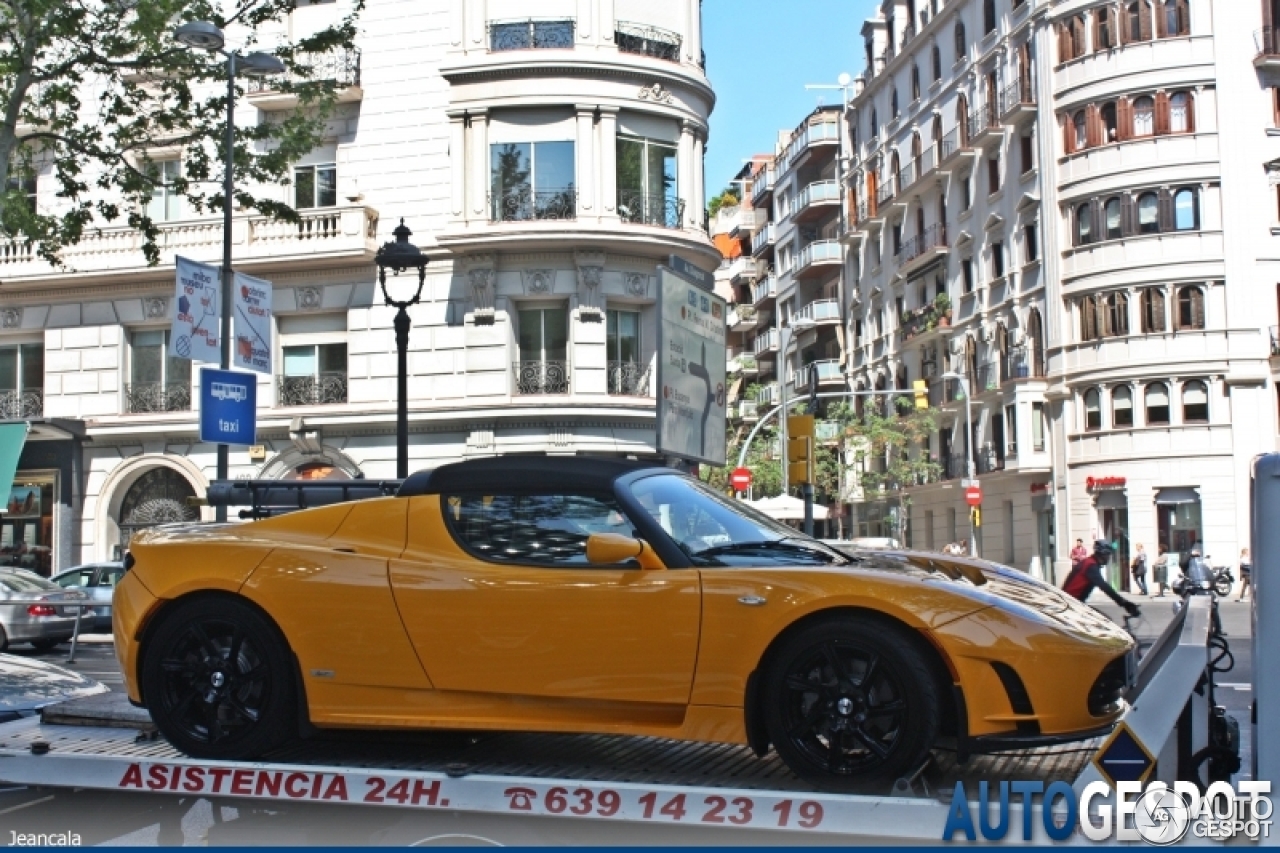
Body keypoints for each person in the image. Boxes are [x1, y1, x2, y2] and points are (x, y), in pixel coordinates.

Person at [1062, 539, 1141, 617]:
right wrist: (1124, 603)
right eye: (1108, 555)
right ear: (1102, 554)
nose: (1109, 558)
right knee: (1104, 621)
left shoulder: (1089, 562)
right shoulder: (1091, 565)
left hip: (1072, 602)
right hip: (1071, 604)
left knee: (1102, 620)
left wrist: (1124, 603)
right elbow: (1104, 586)